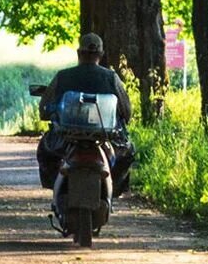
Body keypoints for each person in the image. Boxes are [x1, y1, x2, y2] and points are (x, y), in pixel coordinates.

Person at [36, 33, 135, 194]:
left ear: (78, 53)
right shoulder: (112, 78)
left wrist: (48, 113)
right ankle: (115, 190)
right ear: (101, 55)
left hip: (67, 138)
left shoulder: (62, 77)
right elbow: (126, 111)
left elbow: (44, 108)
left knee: (45, 150)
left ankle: (55, 186)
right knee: (128, 152)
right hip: (104, 137)